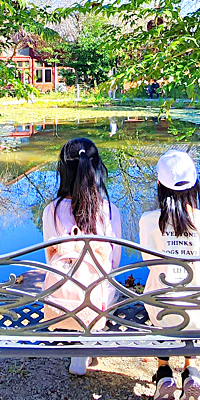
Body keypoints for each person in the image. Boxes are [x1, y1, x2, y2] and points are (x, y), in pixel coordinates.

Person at [139, 149, 200, 400]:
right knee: (195, 296)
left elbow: (149, 265)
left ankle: (163, 372)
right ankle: (191, 370)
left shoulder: (148, 221)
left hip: (162, 310)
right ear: (195, 183)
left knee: (160, 295)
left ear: (159, 185)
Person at [41, 137, 123, 376]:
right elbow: (114, 262)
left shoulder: (51, 210)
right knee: (107, 283)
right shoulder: (108, 210)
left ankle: (79, 349)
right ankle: (87, 345)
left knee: (70, 281)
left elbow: (50, 259)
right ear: (96, 168)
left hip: (62, 300)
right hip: (98, 301)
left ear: (63, 171)